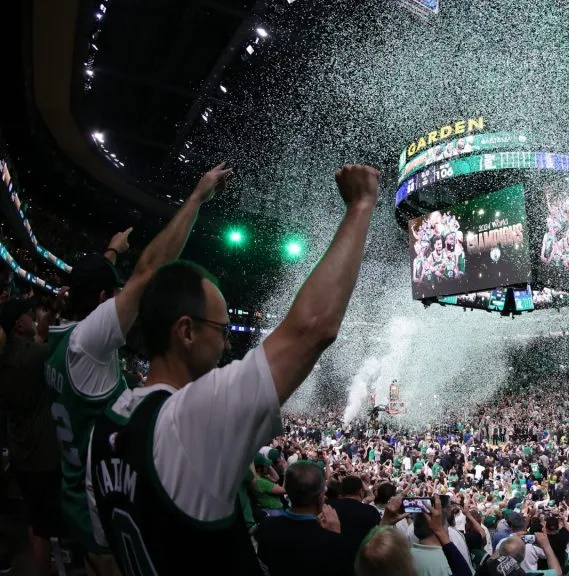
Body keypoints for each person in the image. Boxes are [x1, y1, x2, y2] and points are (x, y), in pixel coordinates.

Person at [83, 165, 379, 574]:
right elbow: (311, 329)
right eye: (221, 329)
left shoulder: (103, 430)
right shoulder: (190, 418)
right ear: (186, 332)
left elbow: (102, 558)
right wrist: (360, 207)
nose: (226, 343)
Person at [46, 164, 229, 570]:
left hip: (74, 496)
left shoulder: (55, 337)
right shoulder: (86, 343)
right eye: (112, 293)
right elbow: (148, 274)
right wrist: (197, 197)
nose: (119, 302)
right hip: (98, 509)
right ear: (101, 297)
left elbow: (86, 290)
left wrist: (111, 252)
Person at [0, 297, 61, 575]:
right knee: (43, 530)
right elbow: (57, 348)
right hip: (41, 456)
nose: (32, 317)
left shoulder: (10, 357)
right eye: (28, 315)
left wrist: (44, 324)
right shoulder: (34, 357)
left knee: (33, 518)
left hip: (20, 453)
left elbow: (35, 344)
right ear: (18, 325)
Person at [254, 461, 351, 576]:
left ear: (288, 493)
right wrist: (336, 537)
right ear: (321, 497)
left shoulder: (266, 527)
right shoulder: (332, 540)